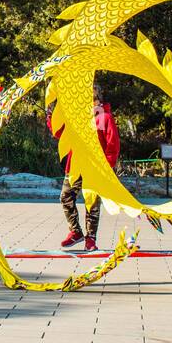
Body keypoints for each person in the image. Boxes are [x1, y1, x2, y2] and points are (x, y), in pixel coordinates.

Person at [49, 85, 120, 252]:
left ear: (95, 99)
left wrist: (107, 166)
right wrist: (51, 116)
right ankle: (75, 231)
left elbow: (113, 144)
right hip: (75, 166)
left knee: (92, 204)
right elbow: (61, 135)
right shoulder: (78, 116)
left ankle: (91, 238)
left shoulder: (105, 117)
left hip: (95, 168)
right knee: (66, 196)